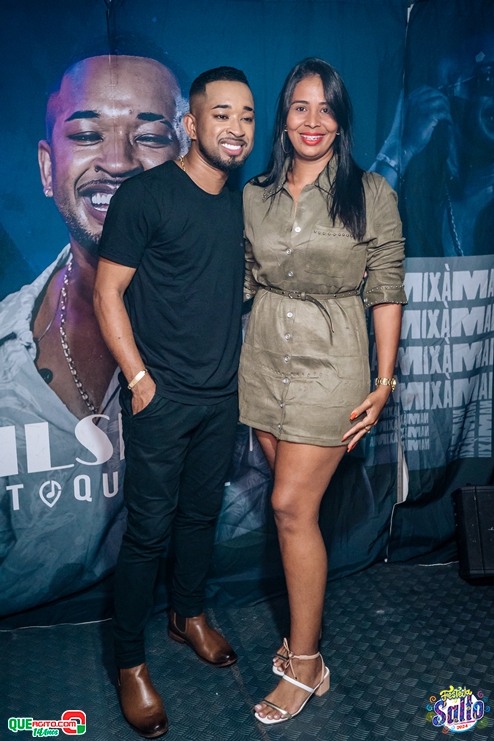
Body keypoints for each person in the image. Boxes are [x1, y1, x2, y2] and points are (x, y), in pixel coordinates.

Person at [239, 58, 407, 724]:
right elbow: (241, 280)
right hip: (263, 363)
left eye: (326, 108)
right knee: (294, 515)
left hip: (332, 367)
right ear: (284, 115)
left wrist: (384, 380)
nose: (313, 121)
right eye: (300, 107)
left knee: (288, 505)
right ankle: (308, 650)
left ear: (342, 119)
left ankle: (305, 662)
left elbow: (386, 288)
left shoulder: (370, 192)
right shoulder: (255, 195)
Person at [94, 66, 255, 738]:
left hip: (221, 398)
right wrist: (139, 381)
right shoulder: (146, 195)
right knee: (148, 533)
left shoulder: (240, 202)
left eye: (246, 116)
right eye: (222, 114)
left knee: (201, 517)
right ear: (190, 123)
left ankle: (188, 615)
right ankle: (129, 661)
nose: (236, 128)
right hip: (161, 399)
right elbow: (107, 292)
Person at [0, 45, 187, 618]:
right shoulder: (7, 350)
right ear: (46, 168)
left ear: (186, 159)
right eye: (86, 134)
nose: (119, 161)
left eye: (149, 136)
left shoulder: (239, 326)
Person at [371, 33, 494, 257]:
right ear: (447, 94)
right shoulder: (420, 196)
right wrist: (400, 146)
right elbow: (353, 235)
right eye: (490, 78)